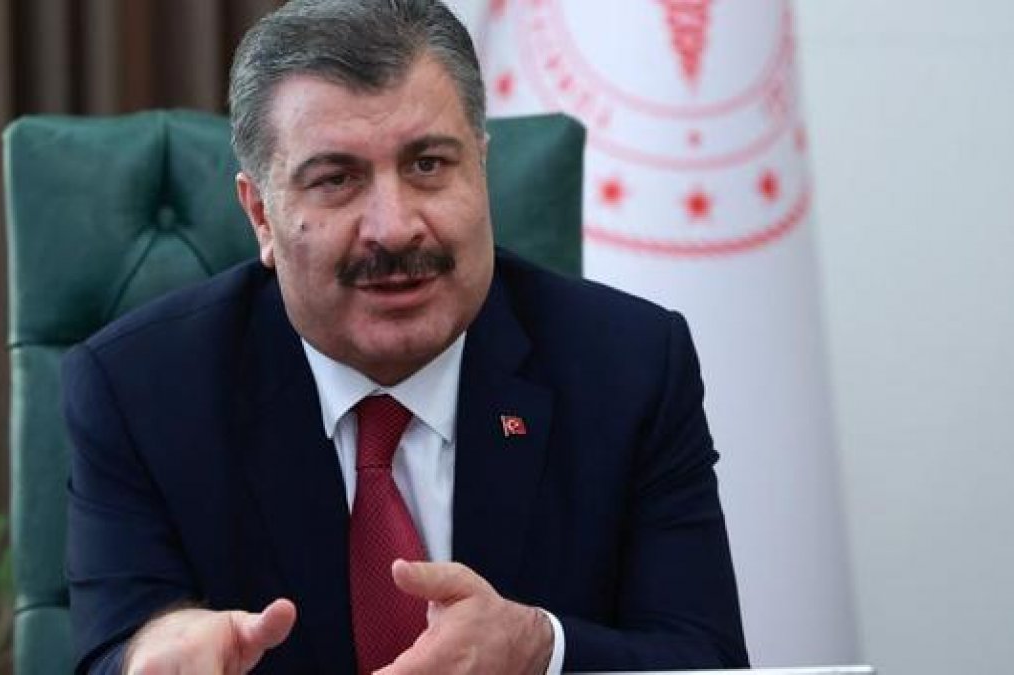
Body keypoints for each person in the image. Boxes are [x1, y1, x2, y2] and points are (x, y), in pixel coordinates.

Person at [63, 1, 749, 673]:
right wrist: (154, 651)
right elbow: (119, 646)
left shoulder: (630, 366)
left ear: (481, 169)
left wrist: (541, 647)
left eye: (428, 165)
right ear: (261, 216)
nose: (393, 228)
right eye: (336, 179)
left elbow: (705, 659)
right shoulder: (141, 389)